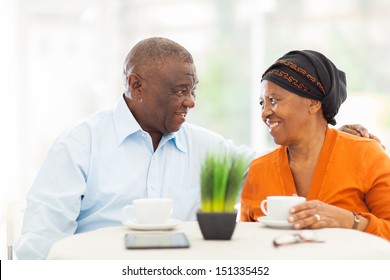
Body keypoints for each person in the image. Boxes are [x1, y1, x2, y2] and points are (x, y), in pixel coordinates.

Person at [14, 38, 379, 259]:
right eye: (180, 90)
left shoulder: (207, 147)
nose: (191, 102)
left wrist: (331, 136)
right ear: (136, 85)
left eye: (194, 90)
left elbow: (275, 167)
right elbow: (40, 245)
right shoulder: (79, 146)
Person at [240, 50, 390, 241]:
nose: (265, 113)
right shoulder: (258, 170)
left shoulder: (365, 155)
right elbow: (244, 242)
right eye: (262, 103)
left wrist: (351, 222)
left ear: (313, 103)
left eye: (273, 100)